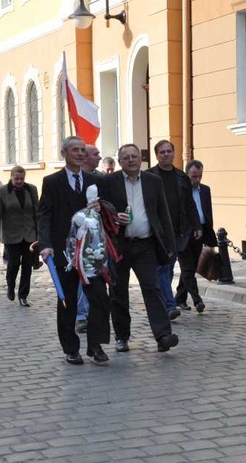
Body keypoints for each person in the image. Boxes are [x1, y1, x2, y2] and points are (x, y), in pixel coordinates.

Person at [97, 143, 179, 354]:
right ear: (120, 161)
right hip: (119, 245)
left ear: (140, 159)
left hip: (146, 245)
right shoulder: (108, 181)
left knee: (153, 289)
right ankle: (122, 337)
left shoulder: (153, 181)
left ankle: (163, 335)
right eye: (126, 157)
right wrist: (114, 219)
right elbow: (101, 213)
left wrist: (170, 247)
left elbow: (163, 214)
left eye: (134, 156)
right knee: (118, 292)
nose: (131, 160)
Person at [38, 137, 112, 365]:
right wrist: (45, 244)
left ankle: (96, 346)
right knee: (67, 301)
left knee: (99, 298)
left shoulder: (94, 180)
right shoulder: (52, 181)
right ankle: (71, 348)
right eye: (75, 150)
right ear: (64, 153)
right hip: (64, 252)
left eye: (82, 150)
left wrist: (101, 208)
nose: (80, 154)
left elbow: (108, 209)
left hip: (92, 251)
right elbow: (44, 215)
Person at [149, 140, 201, 320]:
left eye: (168, 151)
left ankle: (167, 302)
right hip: (157, 232)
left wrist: (196, 225)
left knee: (169, 268)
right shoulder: (149, 176)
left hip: (178, 230)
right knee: (163, 268)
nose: (165, 155)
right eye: (162, 152)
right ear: (157, 155)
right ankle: (168, 304)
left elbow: (189, 203)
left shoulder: (181, 177)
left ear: (174, 153)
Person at [0, 165, 38, 305]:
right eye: (16, 178)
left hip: (29, 233)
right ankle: (10, 286)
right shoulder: (2, 191)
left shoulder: (31, 189)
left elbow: (37, 210)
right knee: (13, 264)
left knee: (27, 266)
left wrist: (40, 232)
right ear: (11, 177)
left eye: (21, 178)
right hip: (11, 234)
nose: (19, 181)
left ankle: (23, 295)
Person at [175, 160, 218, 313]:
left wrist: (208, 234)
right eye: (193, 176)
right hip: (183, 235)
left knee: (191, 269)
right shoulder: (179, 189)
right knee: (187, 268)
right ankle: (197, 300)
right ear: (187, 174)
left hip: (200, 234)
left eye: (199, 176)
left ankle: (179, 299)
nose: (197, 180)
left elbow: (207, 213)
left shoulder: (205, 190)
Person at [75, 144, 104, 334]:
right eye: (96, 154)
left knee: (95, 273)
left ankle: (92, 311)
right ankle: (81, 315)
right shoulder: (72, 181)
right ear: (85, 158)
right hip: (76, 236)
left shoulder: (100, 180)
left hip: (97, 236)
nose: (100, 157)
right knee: (80, 274)